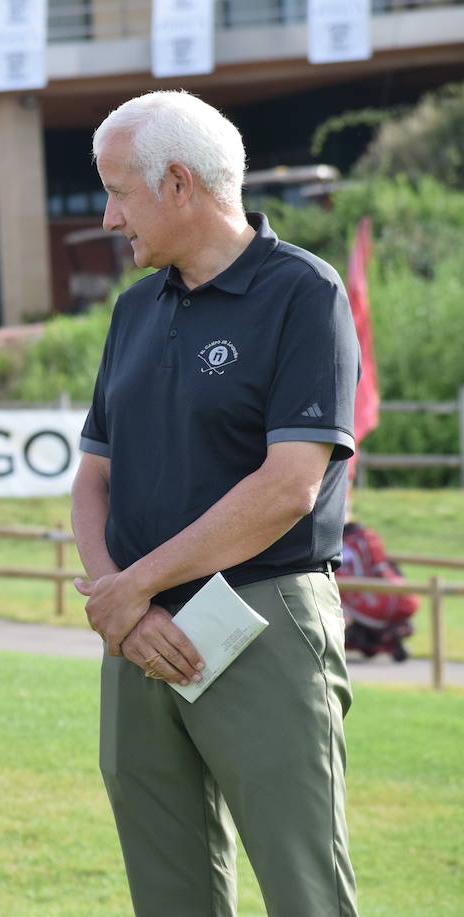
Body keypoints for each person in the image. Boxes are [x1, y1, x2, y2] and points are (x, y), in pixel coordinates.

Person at [70, 90, 359, 917]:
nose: (106, 213)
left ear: (179, 186)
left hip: (262, 618)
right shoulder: (131, 309)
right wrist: (120, 599)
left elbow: (288, 486)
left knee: (303, 890)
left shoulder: (305, 292)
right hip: (135, 633)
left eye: (119, 191)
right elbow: (94, 477)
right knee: (168, 896)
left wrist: (131, 589)